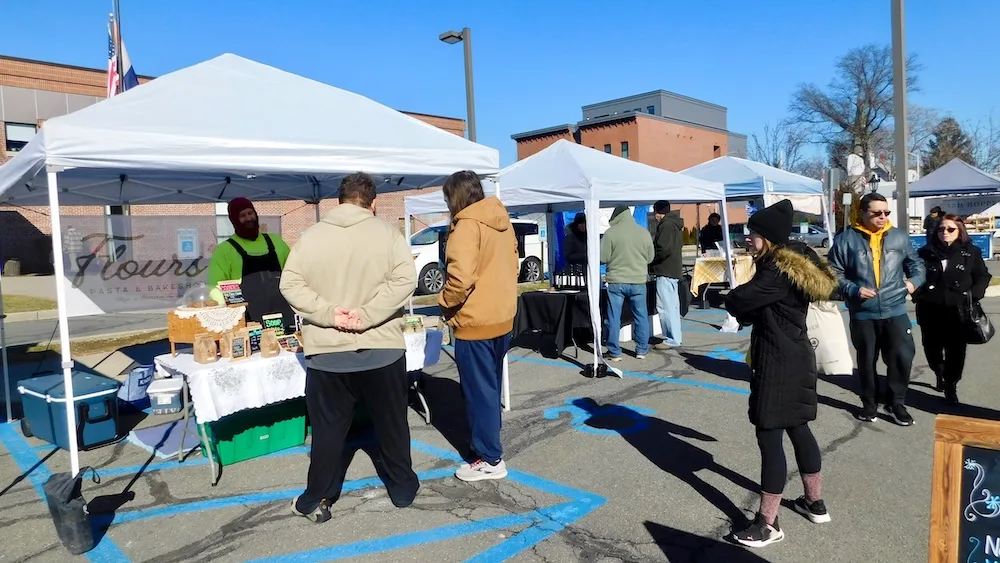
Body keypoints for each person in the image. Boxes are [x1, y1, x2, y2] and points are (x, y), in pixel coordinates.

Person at [279, 172, 420, 522]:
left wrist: (328, 314)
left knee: (327, 433)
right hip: (382, 347)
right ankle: (402, 489)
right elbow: (406, 279)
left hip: (328, 353)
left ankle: (317, 496)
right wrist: (369, 315)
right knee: (392, 425)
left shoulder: (311, 237)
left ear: (338, 201)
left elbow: (290, 283)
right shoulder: (387, 234)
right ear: (372, 203)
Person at [725, 199, 837, 548]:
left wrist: (731, 298)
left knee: (769, 437)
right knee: (798, 428)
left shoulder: (775, 270)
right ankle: (813, 502)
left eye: (753, 234)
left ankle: (767, 523)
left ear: (768, 238)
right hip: (796, 356)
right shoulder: (794, 263)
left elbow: (740, 301)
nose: (747, 239)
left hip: (778, 362)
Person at [438, 170, 519, 482]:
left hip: (475, 321)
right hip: (501, 316)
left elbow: (460, 278)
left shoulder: (466, 226)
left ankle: (489, 457)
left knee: (480, 393)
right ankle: (488, 449)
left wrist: (444, 302)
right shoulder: (500, 219)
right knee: (490, 389)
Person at [828, 192, 926, 426]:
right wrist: (853, 289)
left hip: (895, 308)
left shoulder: (899, 237)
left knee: (902, 357)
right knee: (867, 359)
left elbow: (917, 264)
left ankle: (897, 403)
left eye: (886, 213)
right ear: (862, 213)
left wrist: (913, 282)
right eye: (877, 213)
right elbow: (832, 271)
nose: (883, 217)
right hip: (863, 312)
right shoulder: (846, 239)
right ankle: (869, 402)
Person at [914, 215, 992, 403]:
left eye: (950, 229)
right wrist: (917, 293)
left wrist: (972, 295)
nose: (945, 233)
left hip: (958, 311)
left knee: (956, 352)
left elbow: (982, 276)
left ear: (959, 231)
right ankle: (938, 372)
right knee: (931, 349)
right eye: (941, 229)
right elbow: (914, 274)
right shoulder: (926, 252)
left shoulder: (971, 252)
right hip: (930, 310)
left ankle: (951, 385)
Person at [208, 197, 294, 328]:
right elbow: (214, 288)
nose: (248, 218)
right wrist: (231, 316)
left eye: (250, 213)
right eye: (242, 215)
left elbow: (294, 274)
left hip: (284, 318)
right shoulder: (224, 251)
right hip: (249, 323)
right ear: (234, 220)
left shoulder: (277, 242)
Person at [601, 205, 655, 361]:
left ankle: (614, 352)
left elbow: (603, 257)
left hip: (616, 281)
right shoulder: (643, 233)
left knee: (613, 316)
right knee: (641, 316)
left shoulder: (610, 233)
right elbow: (650, 257)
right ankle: (641, 350)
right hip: (638, 281)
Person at [650, 200, 684, 349]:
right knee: (673, 306)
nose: (654, 216)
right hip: (673, 269)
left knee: (665, 306)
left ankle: (671, 338)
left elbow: (663, 248)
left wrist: (651, 260)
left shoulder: (666, 225)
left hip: (665, 269)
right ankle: (675, 336)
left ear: (658, 212)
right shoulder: (675, 224)